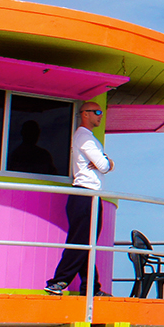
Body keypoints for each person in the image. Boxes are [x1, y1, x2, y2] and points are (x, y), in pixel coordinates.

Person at [45, 102, 115, 295]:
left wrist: (104, 160)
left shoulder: (86, 138)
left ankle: (91, 287)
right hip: (86, 194)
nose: (101, 116)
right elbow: (103, 166)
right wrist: (106, 160)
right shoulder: (85, 138)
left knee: (87, 242)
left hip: (88, 195)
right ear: (85, 114)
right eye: (97, 112)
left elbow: (102, 163)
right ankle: (59, 281)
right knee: (81, 241)